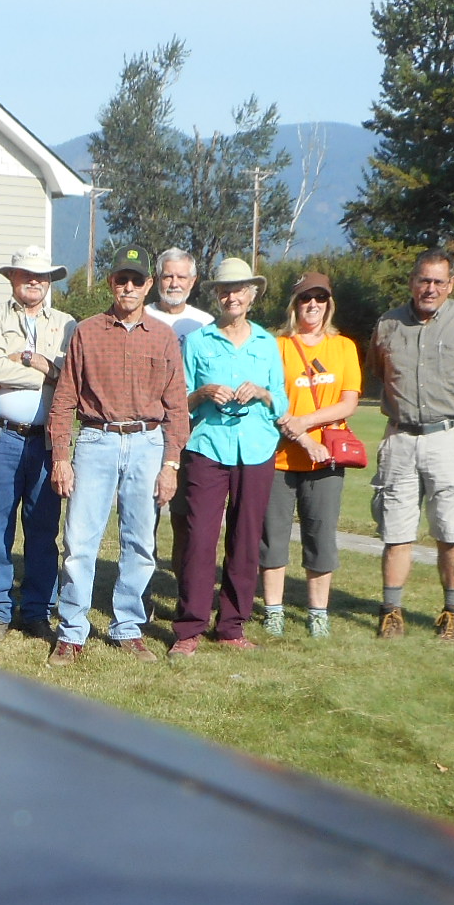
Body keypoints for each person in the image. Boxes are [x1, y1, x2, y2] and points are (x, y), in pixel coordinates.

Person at [46, 245, 190, 663]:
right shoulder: (86, 332)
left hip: (147, 443)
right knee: (79, 542)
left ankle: (128, 626)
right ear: (111, 283)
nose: (128, 287)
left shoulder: (163, 336)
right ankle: (72, 630)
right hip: (96, 440)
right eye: (121, 279)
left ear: (148, 285)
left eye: (136, 280)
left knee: (140, 542)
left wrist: (171, 463)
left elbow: (177, 406)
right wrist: (60, 456)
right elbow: (65, 398)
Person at [371, 250, 454, 641]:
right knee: (396, 531)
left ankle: (452, 613)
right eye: (424, 280)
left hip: (450, 438)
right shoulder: (389, 323)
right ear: (412, 281)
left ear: (451, 284)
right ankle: (391, 613)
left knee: (450, 529)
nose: (430, 288)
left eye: (438, 282)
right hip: (400, 437)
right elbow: (379, 370)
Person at [169, 256, 287, 656]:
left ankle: (232, 626)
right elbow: (179, 401)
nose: (231, 297)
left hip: (256, 449)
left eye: (238, 290)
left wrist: (263, 393)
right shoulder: (198, 341)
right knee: (200, 538)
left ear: (252, 295)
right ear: (216, 295)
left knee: (246, 540)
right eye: (224, 290)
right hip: (207, 449)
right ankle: (190, 628)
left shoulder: (267, 343)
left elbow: (281, 400)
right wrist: (203, 394)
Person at [0, 246, 73, 642]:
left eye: (41, 275)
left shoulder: (67, 324)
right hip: (0, 436)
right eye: (26, 274)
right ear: (12, 277)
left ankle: (37, 611)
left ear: (49, 281)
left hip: (46, 441)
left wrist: (29, 360)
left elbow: (71, 377)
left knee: (43, 529)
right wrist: (48, 370)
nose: (34, 280)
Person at [259, 272, 361, 639]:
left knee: (321, 536)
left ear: (329, 304)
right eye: (305, 298)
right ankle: (273, 611)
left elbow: (348, 402)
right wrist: (301, 435)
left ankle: (318, 613)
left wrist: (306, 422)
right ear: (294, 304)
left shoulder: (343, 347)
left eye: (320, 298)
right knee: (272, 537)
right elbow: (270, 401)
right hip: (280, 457)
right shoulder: (278, 346)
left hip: (326, 459)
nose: (312, 305)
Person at [145, 247, 214, 617]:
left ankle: (185, 594)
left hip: (192, 434)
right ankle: (141, 596)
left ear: (193, 281)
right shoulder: (143, 316)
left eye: (181, 277)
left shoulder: (205, 323)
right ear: (157, 279)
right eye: (168, 275)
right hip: (148, 431)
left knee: (187, 520)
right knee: (143, 518)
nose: (174, 283)